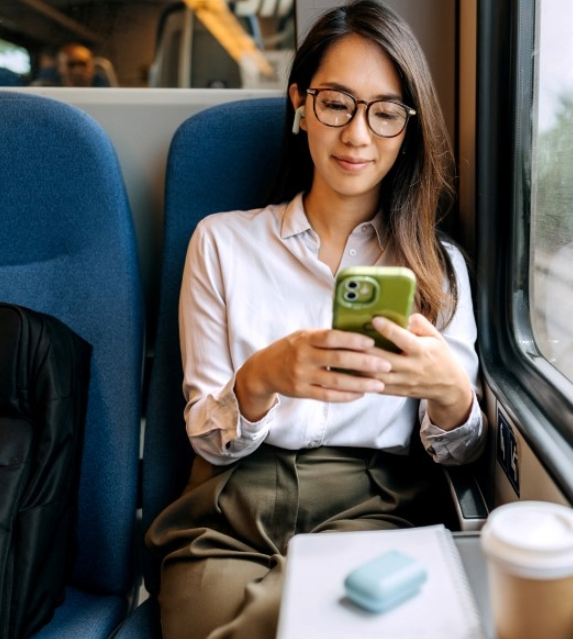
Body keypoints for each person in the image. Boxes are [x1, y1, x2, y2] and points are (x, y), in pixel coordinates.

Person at [146, 2, 486, 638]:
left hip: (376, 510)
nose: (357, 135)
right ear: (301, 105)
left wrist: (450, 392)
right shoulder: (220, 244)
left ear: (407, 128)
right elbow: (205, 439)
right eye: (337, 104)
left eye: (385, 113)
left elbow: (461, 449)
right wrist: (261, 378)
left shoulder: (437, 270)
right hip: (230, 514)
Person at [32, 42, 109, 87]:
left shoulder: (105, 93)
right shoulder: (44, 90)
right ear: (60, 68)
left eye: (82, 64)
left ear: (92, 67)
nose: (78, 70)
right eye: (71, 65)